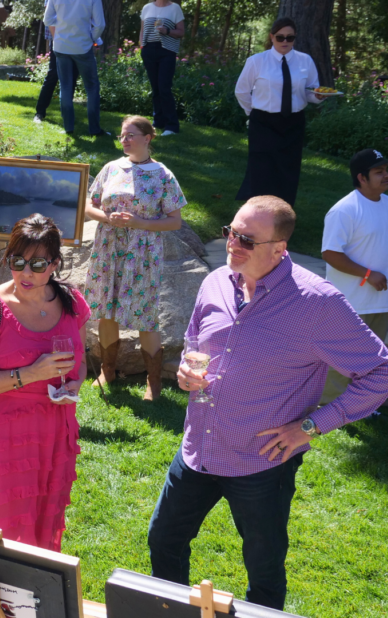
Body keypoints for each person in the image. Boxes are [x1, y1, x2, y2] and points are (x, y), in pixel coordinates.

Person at [148, 196, 388, 610]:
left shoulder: (318, 304)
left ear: (280, 248)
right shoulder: (216, 281)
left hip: (261, 463)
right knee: (164, 540)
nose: (232, 244)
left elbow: (380, 372)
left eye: (246, 239)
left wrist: (312, 427)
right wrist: (187, 368)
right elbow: (194, 338)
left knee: (262, 569)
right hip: (198, 450)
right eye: (231, 232)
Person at [0, 214, 88, 552]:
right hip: (3, 441)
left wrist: (74, 386)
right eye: (17, 262)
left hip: (54, 436)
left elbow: (81, 363)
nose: (26, 273)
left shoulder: (71, 303)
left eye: (38, 263)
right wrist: (30, 374)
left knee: (42, 534)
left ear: (55, 264)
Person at [84, 115, 186, 400]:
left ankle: (153, 382)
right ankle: (108, 370)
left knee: (145, 316)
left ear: (148, 138)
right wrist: (108, 217)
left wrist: (140, 222)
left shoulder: (163, 174)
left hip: (143, 254)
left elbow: (174, 221)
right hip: (108, 249)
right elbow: (88, 208)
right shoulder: (111, 168)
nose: (124, 140)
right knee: (106, 310)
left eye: (130, 134)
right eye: (122, 135)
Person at [235, 17, 328, 206]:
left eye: (290, 37)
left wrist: (317, 96)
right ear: (271, 37)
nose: (285, 41)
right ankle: (258, 213)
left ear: (295, 38)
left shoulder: (305, 61)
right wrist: (252, 113)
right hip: (263, 123)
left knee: (288, 170)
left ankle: (283, 215)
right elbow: (242, 91)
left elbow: (309, 90)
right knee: (262, 170)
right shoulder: (256, 61)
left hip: (293, 124)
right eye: (280, 37)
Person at [320, 149, 388, 403]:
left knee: (375, 356)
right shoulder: (345, 210)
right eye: (378, 172)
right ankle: (329, 405)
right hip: (350, 301)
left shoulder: (387, 204)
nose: (385, 176)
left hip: (382, 300)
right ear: (361, 177)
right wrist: (368, 274)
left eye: (386, 170)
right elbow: (330, 253)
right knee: (342, 355)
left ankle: (367, 402)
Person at [41, 0, 109, 136]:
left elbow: (47, 19)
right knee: (91, 87)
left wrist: (61, 30)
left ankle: (68, 127)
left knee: (65, 86)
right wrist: (92, 38)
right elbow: (100, 24)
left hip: (61, 46)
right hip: (82, 46)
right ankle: (94, 129)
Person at [139, 0, 184, 136]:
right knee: (156, 88)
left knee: (164, 87)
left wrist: (167, 30)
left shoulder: (175, 8)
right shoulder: (147, 8)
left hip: (167, 51)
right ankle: (158, 122)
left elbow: (181, 32)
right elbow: (142, 30)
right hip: (149, 50)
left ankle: (172, 126)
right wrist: (142, 46)